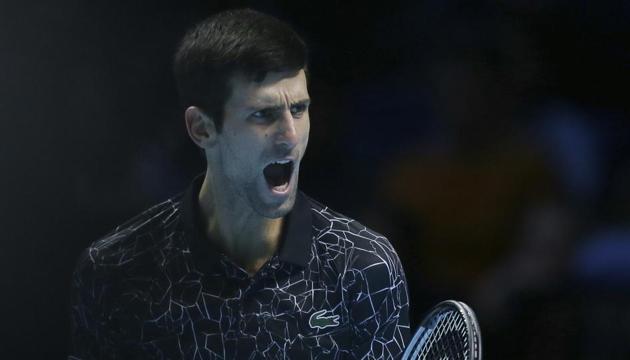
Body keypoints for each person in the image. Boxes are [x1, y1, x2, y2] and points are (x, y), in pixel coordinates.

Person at [68, 8, 409, 359]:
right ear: (202, 128)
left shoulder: (364, 267)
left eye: (299, 109)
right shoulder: (113, 270)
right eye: (263, 114)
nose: (290, 136)